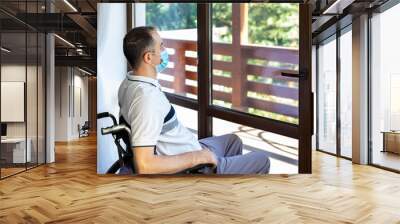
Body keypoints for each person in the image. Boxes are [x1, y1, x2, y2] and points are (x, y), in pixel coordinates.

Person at [118, 26, 270, 174]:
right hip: (191, 166)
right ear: (149, 57)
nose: (165, 51)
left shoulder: (129, 82)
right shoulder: (146, 99)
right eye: (161, 46)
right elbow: (145, 166)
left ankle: (223, 187)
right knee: (262, 160)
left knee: (233, 141)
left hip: (188, 147)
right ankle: (211, 177)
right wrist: (198, 157)